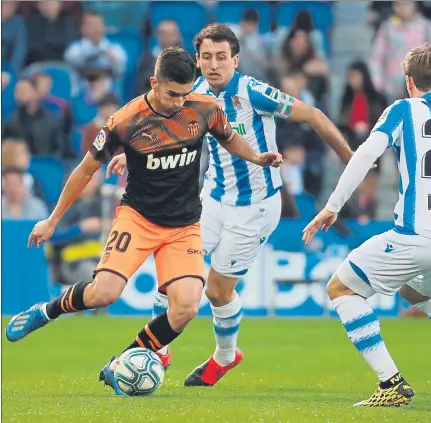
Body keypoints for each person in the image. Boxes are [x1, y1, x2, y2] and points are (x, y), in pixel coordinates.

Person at [5, 48, 282, 396]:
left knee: (185, 308)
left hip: (183, 225)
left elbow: (230, 139)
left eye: (184, 93)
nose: (179, 102)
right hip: (137, 218)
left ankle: (120, 362)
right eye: (171, 94)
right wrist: (52, 219)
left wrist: (256, 157)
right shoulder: (127, 120)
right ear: (154, 82)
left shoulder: (205, 109)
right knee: (103, 294)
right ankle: (46, 310)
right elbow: (84, 171)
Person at [108, 24, 353, 387]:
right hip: (211, 199)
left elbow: (313, 115)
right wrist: (132, 157)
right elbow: (163, 130)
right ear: (197, 60)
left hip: (255, 209)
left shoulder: (253, 91)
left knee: (216, 291)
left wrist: (351, 157)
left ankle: (225, 356)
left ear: (235, 60)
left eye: (221, 57)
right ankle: (158, 349)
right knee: (170, 277)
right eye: (206, 57)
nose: (213, 64)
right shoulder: (192, 95)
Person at [302, 44, 431, 407]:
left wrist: (332, 207)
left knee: (341, 289)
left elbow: (365, 154)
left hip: (418, 233)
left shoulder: (403, 110)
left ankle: (390, 383)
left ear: (409, 81)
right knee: (417, 292)